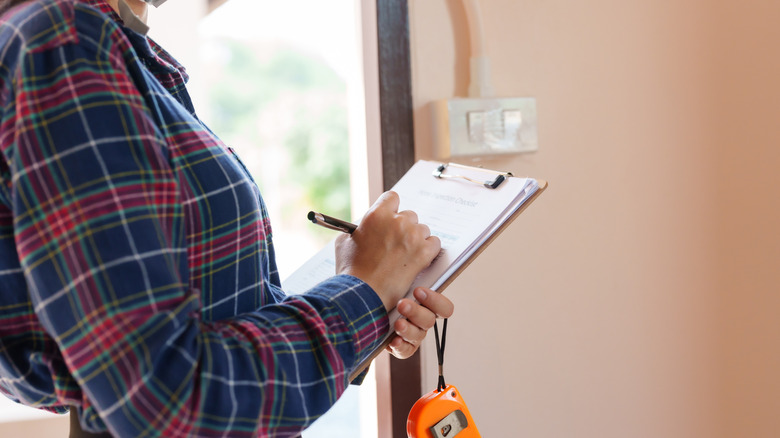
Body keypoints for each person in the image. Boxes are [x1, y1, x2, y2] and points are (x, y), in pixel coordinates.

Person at [0, 0, 454, 436]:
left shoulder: (114, 51)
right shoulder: (65, 43)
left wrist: (363, 299)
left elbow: (208, 318)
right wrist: (362, 293)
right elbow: (171, 400)